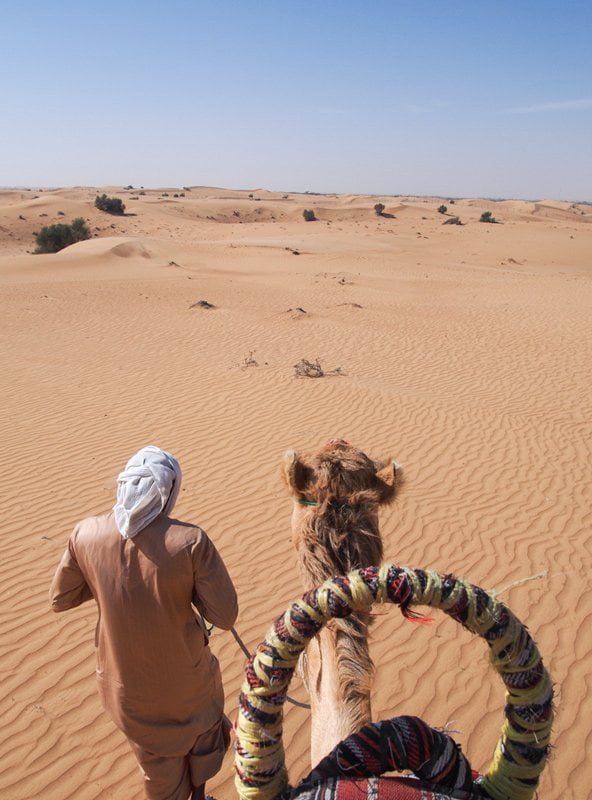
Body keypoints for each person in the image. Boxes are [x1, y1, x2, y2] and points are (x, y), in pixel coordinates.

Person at [50, 445, 238, 800]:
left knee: (156, 764)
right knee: (201, 743)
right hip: (189, 685)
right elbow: (225, 617)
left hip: (127, 690)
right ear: (169, 491)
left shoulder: (85, 534)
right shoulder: (190, 541)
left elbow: (61, 598)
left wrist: (107, 579)